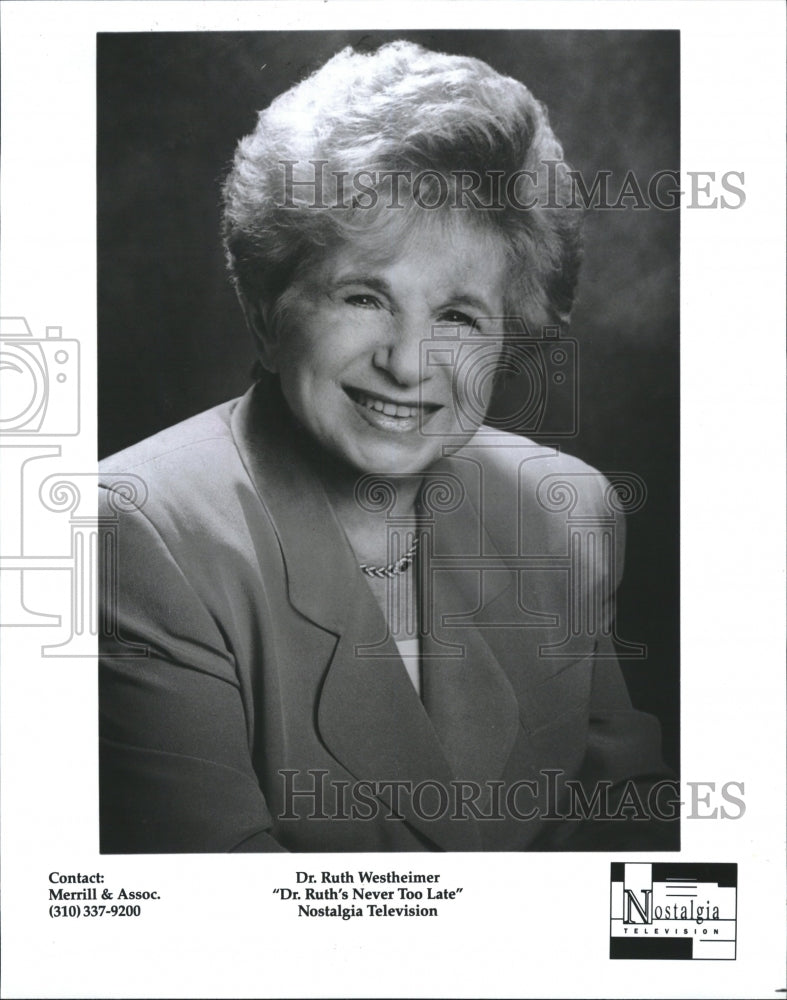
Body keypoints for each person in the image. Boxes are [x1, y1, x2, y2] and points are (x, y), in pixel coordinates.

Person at [99, 40, 676, 852]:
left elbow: (626, 823)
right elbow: (221, 905)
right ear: (266, 313)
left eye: (458, 317)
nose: (407, 364)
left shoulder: (564, 509)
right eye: (364, 296)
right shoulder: (138, 530)